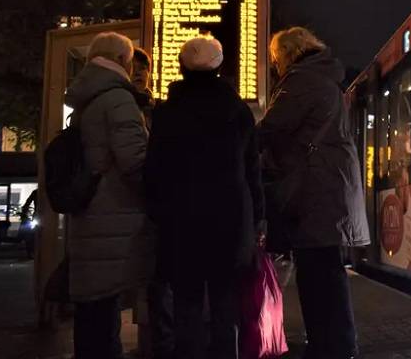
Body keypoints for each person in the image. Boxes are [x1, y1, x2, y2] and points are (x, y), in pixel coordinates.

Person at [144, 35, 263, 359]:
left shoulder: (168, 113)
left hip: (181, 227)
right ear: (220, 67)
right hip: (229, 226)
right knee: (226, 310)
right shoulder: (238, 112)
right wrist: (257, 219)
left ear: (181, 67)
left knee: (187, 309)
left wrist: (158, 213)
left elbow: (153, 172)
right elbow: (253, 173)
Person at [259, 27, 370, 359]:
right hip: (329, 189)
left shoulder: (302, 81)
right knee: (327, 271)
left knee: (317, 275)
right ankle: (336, 344)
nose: (276, 65)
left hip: (314, 193)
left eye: (276, 58)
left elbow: (270, 129)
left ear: (289, 53)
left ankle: (329, 346)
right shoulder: (325, 80)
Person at [64, 31, 153, 359]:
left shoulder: (87, 96)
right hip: (114, 217)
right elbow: (134, 161)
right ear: (121, 61)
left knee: (92, 313)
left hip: (91, 217)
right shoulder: (118, 98)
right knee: (104, 315)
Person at [129, 46, 175, 359]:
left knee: (158, 281)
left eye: (142, 71)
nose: (138, 76)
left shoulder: (158, 109)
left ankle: (161, 344)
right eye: (133, 70)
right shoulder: (127, 106)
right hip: (133, 206)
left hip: (154, 208)